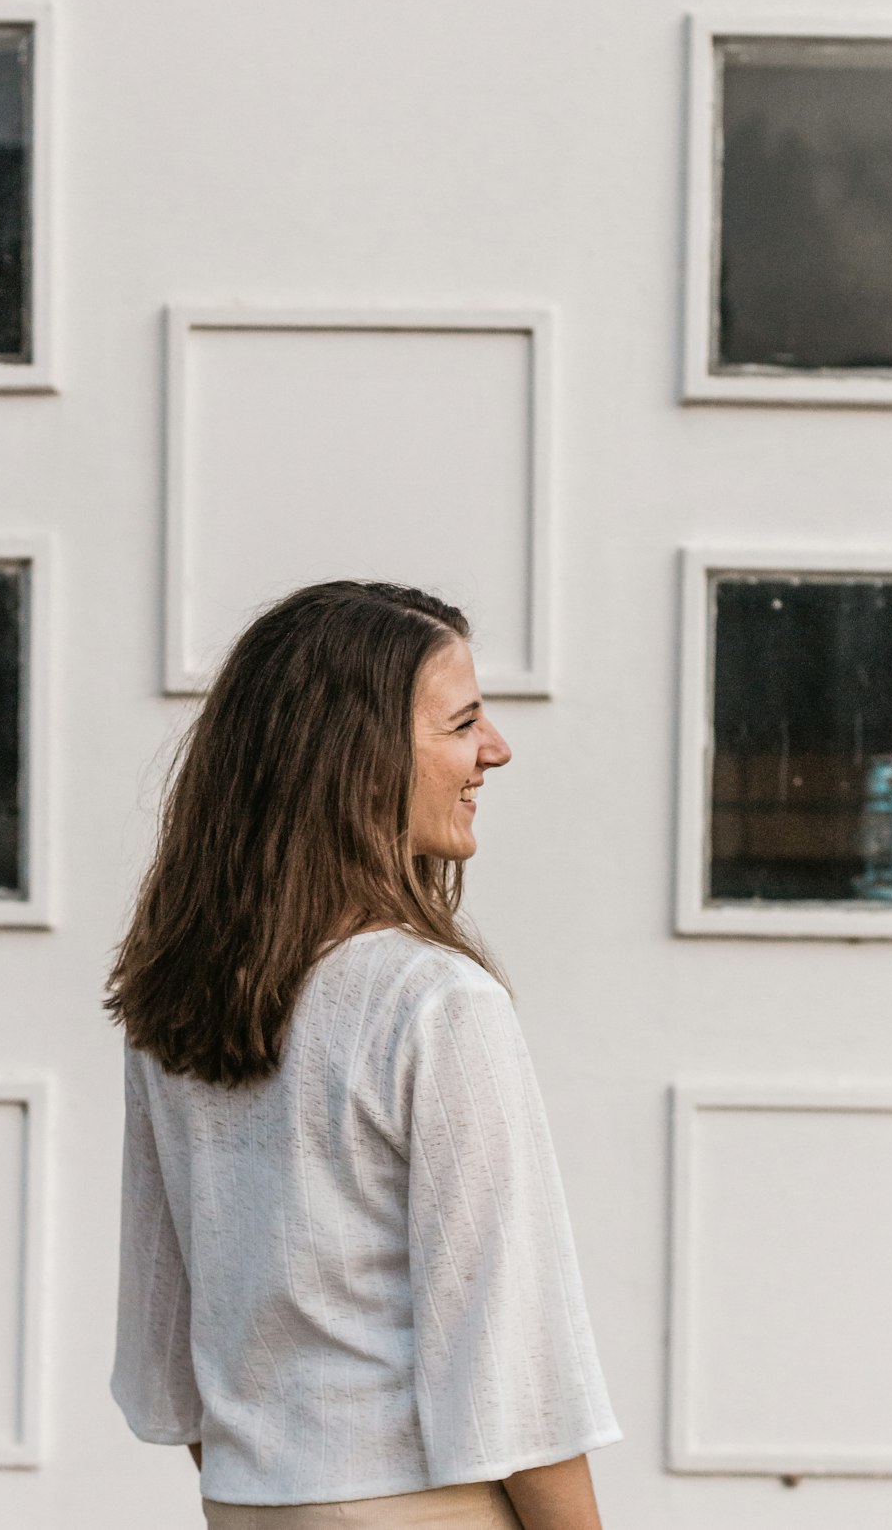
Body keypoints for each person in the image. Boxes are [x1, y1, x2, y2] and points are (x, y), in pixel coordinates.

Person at [107, 580, 621, 1529]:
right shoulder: (437, 1004)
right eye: (463, 721)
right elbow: (513, 1362)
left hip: (248, 1503)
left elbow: (168, 1336)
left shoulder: (174, 1003)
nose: (495, 749)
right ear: (359, 757)